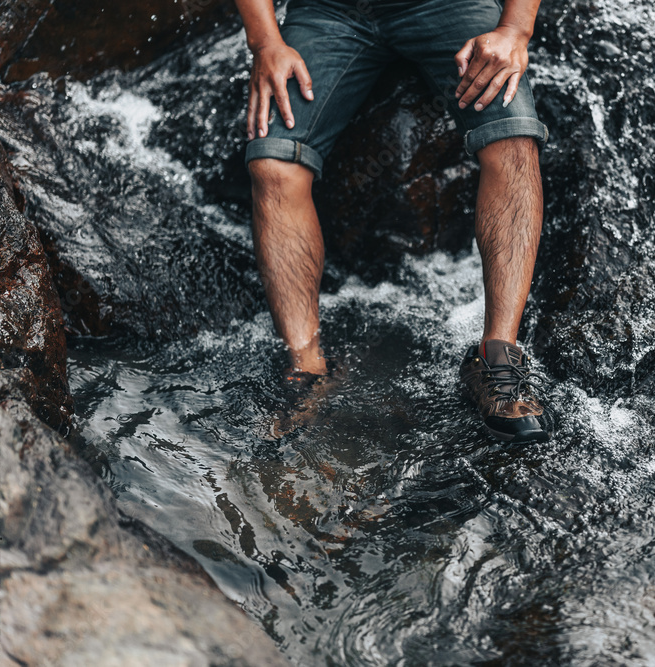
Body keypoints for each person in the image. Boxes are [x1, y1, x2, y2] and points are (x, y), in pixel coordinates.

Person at [235, 0, 552, 443]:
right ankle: (305, 369)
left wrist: (516, 29)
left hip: (447, 6)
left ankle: (498, 358)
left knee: (514, 138)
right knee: (273, 165)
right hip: (329, 12)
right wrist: (265, 40)